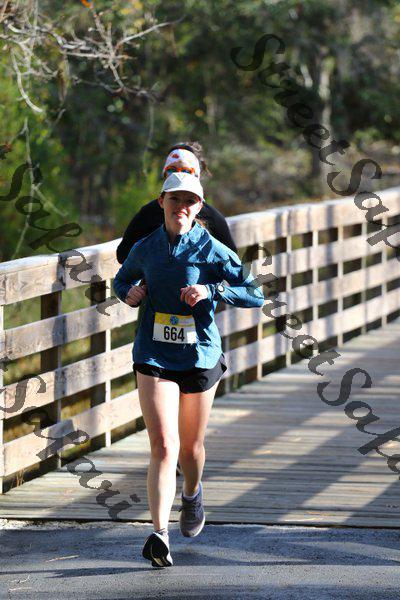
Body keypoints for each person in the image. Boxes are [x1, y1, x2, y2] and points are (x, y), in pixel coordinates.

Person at [113, 172, 264, 568]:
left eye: (190, 201)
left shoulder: (212, 249)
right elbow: (122, 280)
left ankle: (192, 493)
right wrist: (129, 293)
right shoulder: (146, 247)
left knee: (190, 448)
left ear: (199, 207)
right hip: (154, 355)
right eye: (174, 199)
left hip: (199, 356)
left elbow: (255, 293)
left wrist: (213, 290)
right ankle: (159, 534)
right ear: (161, 201)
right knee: (164, 445)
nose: (181, 206)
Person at [116, 141, 237, 264]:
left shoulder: (211, 217)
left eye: (186, 171)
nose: (179, 176)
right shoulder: (148, 213)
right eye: (172, 170)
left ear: (196, 177)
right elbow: (123, 255)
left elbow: (232, 262)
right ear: (164, 175)